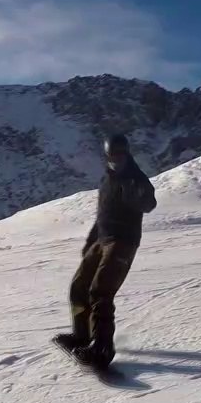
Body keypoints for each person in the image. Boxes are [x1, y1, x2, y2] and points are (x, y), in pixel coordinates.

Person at [55, 134, 157, 367]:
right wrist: (91, 241)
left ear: (127, 154)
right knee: (79, 286)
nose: (116, 160)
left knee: (100, 292)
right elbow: (103, 214)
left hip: (122, 242)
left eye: (120, 155)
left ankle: (102, 349)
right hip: (101, 240)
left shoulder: (135, 178)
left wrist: (136, 196)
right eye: (112, 156)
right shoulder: (107, 179)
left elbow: (149, 203)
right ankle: (82, 335)